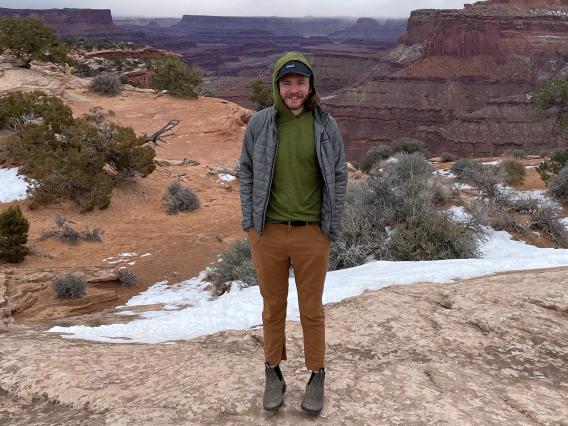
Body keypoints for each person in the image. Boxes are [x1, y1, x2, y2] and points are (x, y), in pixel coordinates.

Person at [239, 51, 347, 414]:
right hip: (267, 233)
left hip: (312, 234)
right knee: (273, 307)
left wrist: (331, 227)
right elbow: (247, 171)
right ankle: (273, 371)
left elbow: (338, 175)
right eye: (287, 83)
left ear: (310, 85)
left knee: (311, 309)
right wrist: (250, 225)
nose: (294, 90)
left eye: (301, 82)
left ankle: (317, 374)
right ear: (277, 86)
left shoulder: (325, 125)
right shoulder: (260, 123)